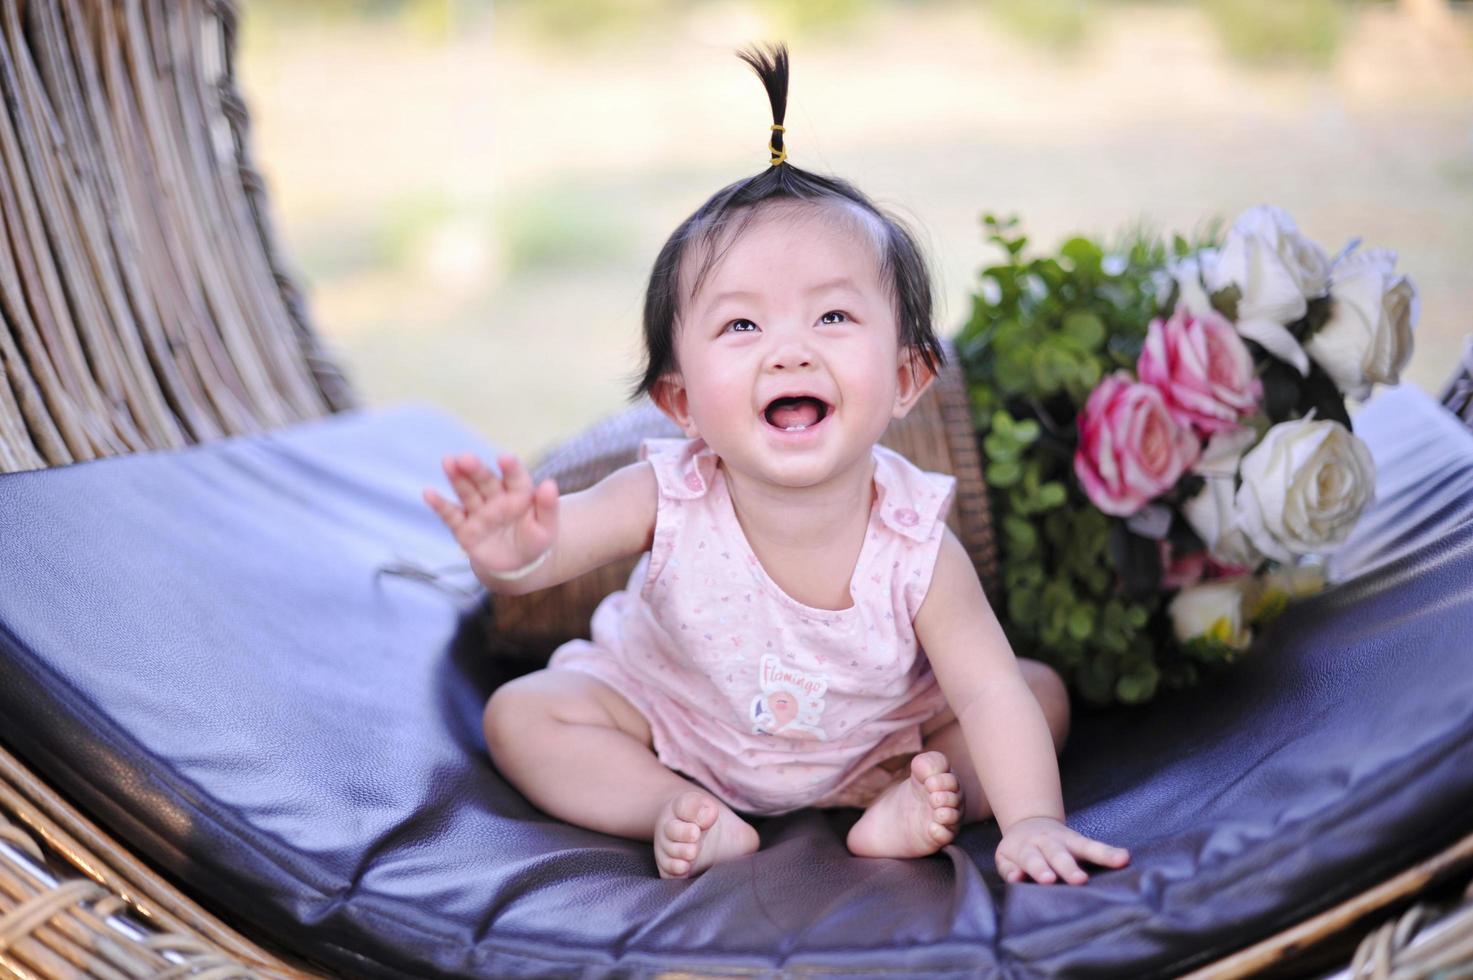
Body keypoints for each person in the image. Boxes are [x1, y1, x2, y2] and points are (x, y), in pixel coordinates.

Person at [424, 44, 1130, 885]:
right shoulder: (668, 490)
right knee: (524, 715)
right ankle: (675, 812)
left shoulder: (914, 545)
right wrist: (512, 548)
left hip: (873, 745)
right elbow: (553, 551)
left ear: (905, 378)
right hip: (671, 725)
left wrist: (1031, 822)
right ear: (680, 402)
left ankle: (897, 811)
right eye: (741, 328)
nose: (788, 353)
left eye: (832, 315)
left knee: (1031, 696)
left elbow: (982, 692)